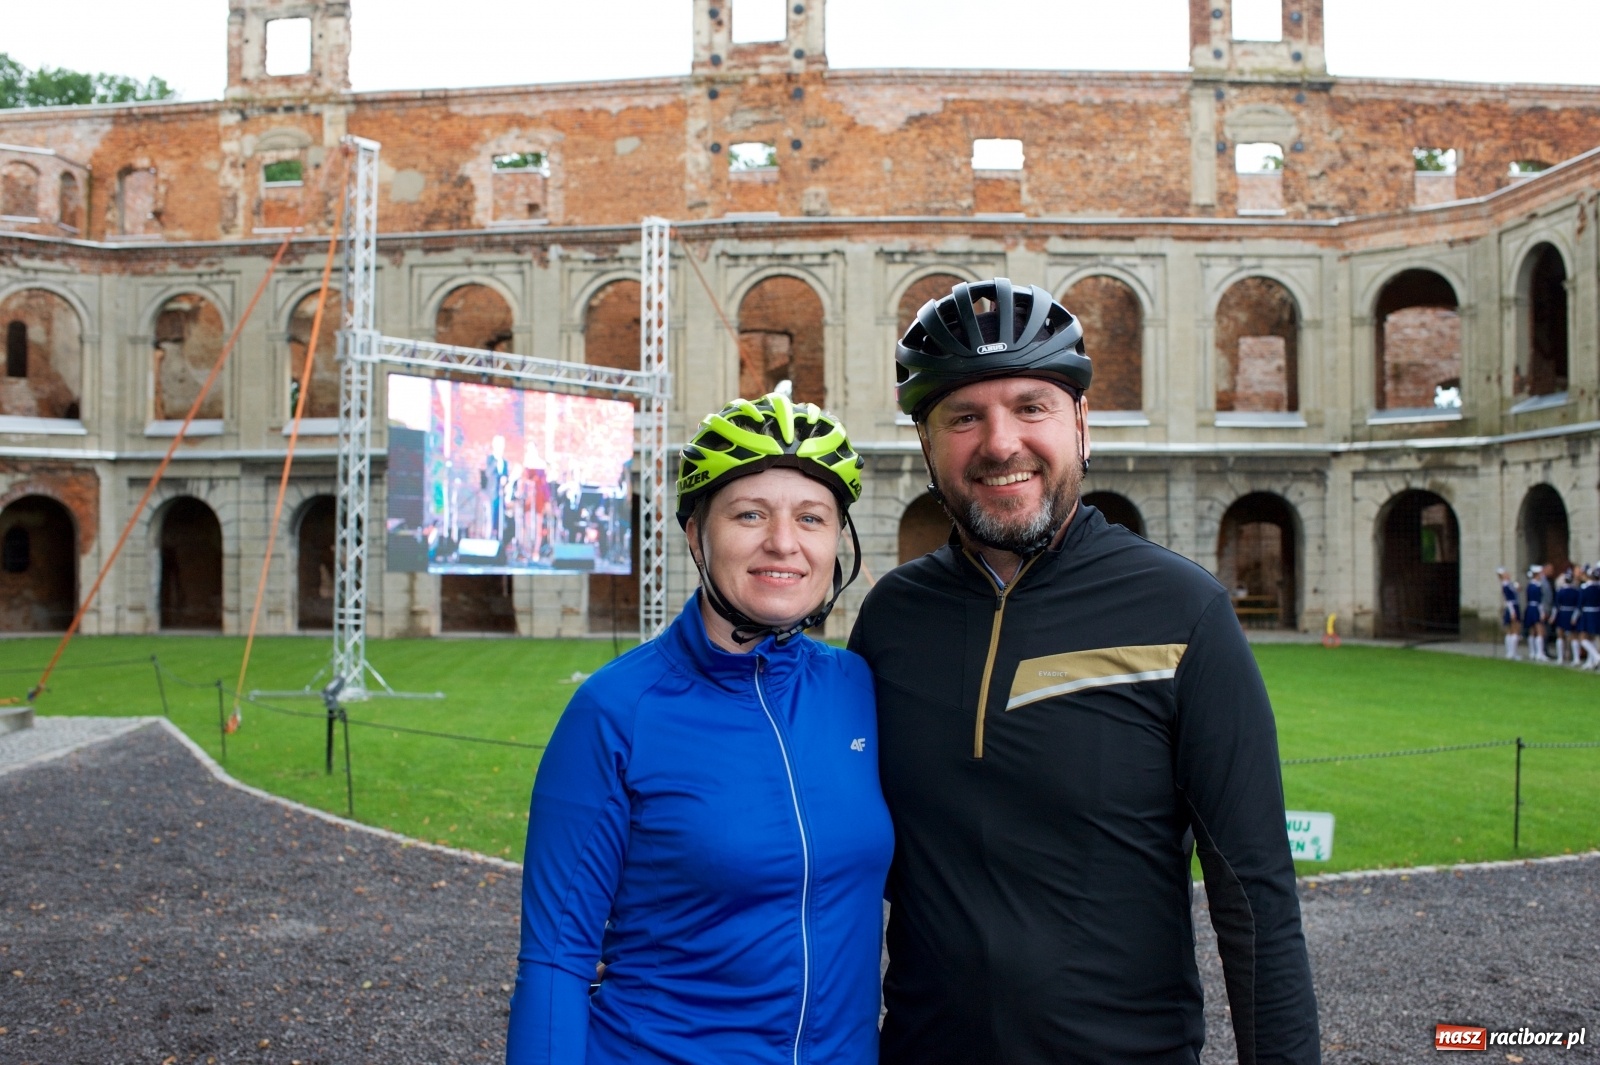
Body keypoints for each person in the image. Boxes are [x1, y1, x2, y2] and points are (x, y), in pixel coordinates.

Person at [849, 278, 1319, 1064]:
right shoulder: (890, 620)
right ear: (927, 445)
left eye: (1031, 406)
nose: (1000, 443)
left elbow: (1256, 894)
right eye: (964, 416)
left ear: (1082, 424)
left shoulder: (1183, 611)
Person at [507, 392, 892, 1065]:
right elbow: (555, 958)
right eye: (750, 514)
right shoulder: (616, 709)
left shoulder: (855, 687)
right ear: (696, 535)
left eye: (811, 517)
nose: (784, 541)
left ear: (838, 541)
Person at [1524, 564, 1548, 662]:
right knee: (1539, 630)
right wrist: (1542, 612)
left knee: (1532, 631)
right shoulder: (1537, 586)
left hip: (1530, 608)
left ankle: (1533, 652)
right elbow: (1539, 601)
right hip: (1536, 608)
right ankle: (1539, 653)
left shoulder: (1530, 585)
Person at [1498, 566, 1521, 659]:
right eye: (1506, 574)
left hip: (1513, 606)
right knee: (1514, 629)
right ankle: (1512, 652)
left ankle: (1511, 652)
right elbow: (1509, 600)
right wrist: (1512, 611)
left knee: (1511, 630)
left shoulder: (1509, 584)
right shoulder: (1506, 585)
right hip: (1512, 607)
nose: (1508, 575)